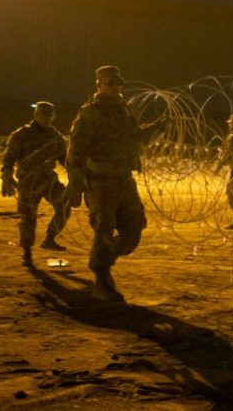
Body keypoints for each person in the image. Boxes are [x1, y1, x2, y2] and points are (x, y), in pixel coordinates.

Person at [64, 65, 167, 301]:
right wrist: (75, 184)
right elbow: (77, 150)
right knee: (104, 227)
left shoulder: (124, 110)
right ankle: (101, 277)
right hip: (100, 181)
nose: (115, 86)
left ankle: (103, 257)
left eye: (118, 82)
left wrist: (157, 127)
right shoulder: (90, 112)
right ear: (99, 84)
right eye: (110, 82)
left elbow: (135, 139)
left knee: (134, 229)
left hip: (124, 179)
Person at [1, 101, 70, 266]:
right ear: (36, 115)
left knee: (65, 205)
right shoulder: (22, 134)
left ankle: (50, 238)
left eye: (49, 116)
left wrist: (77, 172)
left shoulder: (55, 136)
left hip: (49, 179)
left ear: (53, 117)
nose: (47, 119)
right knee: (28, 217)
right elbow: (9, 158)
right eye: (43, 115)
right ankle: (27, 252)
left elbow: (64, 159)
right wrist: (7, 176)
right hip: (28, 181)